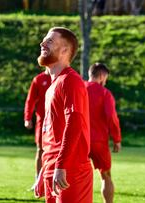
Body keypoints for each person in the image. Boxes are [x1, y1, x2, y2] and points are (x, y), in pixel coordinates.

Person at [33, 27, 92, 203]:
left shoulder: (70, 80)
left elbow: (74, 123)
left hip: (70, 169)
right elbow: (52, 134)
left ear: (65, 50)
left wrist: (61, 165)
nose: (42, 43)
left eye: (49, 41)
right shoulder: (53, 85)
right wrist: (45, 169)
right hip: (54, 168)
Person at [85, 63, 121, 203]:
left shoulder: (79, 88)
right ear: (101, 76)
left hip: (78, 140)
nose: (105, 81)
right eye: (106, 78)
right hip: (98, 141)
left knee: (72, 176)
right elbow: (111, 117)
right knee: (105, 175)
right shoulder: (105, 93)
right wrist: (117, 139)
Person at [24, 69, 51, 189]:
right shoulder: (39, 79)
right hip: (43, 120)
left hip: (59, 121)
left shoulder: (62, 77)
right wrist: (27, 118)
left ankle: (52, 180)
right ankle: (38, 181)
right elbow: (30, 100)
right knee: (40, 150)